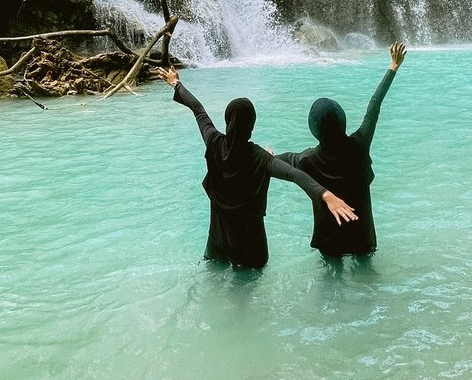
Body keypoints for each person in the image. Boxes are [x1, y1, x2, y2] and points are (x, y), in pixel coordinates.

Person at [153, 65, 357, 270]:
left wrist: (176, 83)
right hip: (249, 246)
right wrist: (325, 195)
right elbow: (293, 174)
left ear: (227, 120)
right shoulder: (261, 159)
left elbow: (198, 110)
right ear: (251, 125)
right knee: (245, 288)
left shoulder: (213, 142)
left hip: (218, 240)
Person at [277, 42, 407, 258]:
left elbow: (282, 161)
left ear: (314, 129)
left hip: (329, 239)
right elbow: (374, 106)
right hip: (361, 234)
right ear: (343, 120)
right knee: (364, 272)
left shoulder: (307, 159)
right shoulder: (359, 143)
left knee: (331, 273)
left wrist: (265, 155)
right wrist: (393, 66)